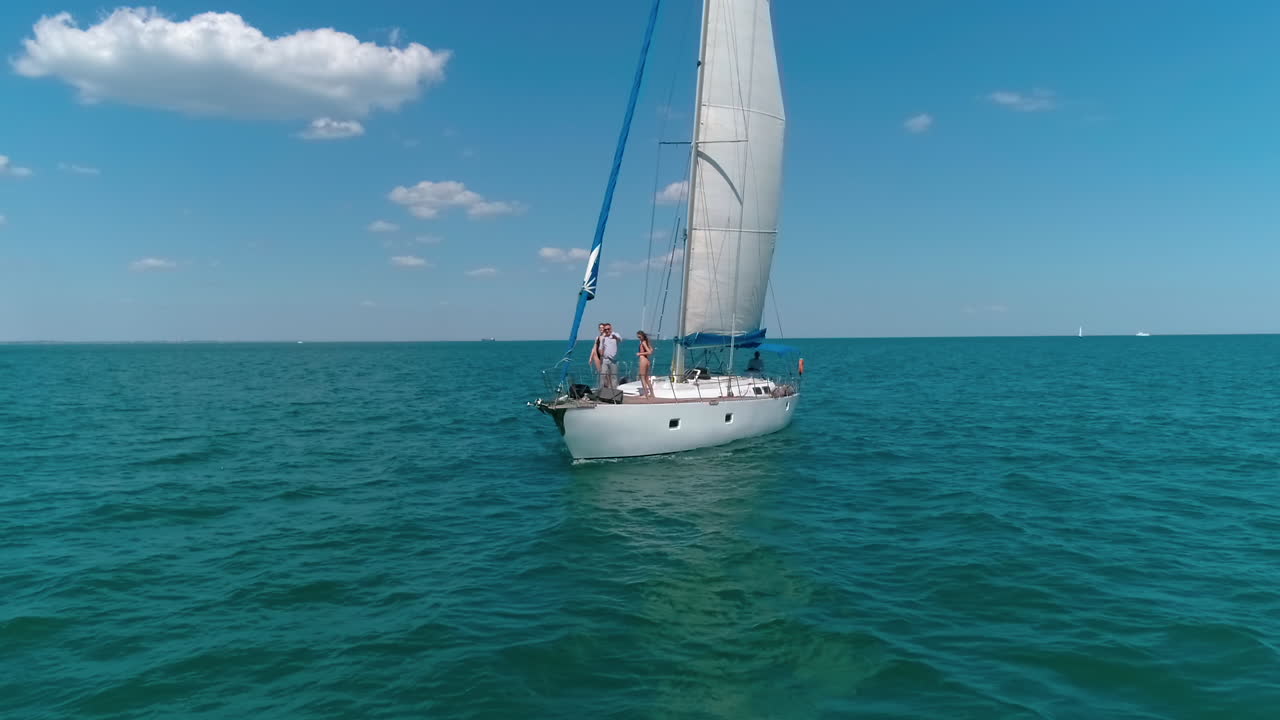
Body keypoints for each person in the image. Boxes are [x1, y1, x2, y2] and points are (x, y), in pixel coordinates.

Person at [598, 322, 620, 389]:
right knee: (603, 375)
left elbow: (620, 339)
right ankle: (602, 390)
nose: (607, 330)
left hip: (613, 359)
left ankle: (613, 391)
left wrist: (613, 335)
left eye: (608, 329)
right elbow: (600, 348)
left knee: (614, 376)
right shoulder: (603, 338)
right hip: (605, 359)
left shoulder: (615, 335)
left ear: (611, 328)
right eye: (605, 329)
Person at [635, 330, 654, 397]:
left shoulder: (643, 343)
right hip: (646, 360)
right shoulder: (646, 342)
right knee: (646, 378)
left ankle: (645, 394)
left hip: (643, 359)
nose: (639, 338)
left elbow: (649, 352)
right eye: (638, 337)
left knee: (642, 378)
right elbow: (651, 349)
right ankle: (652, 394)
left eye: (639, 337)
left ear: (642, 336)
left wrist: (640, 353)